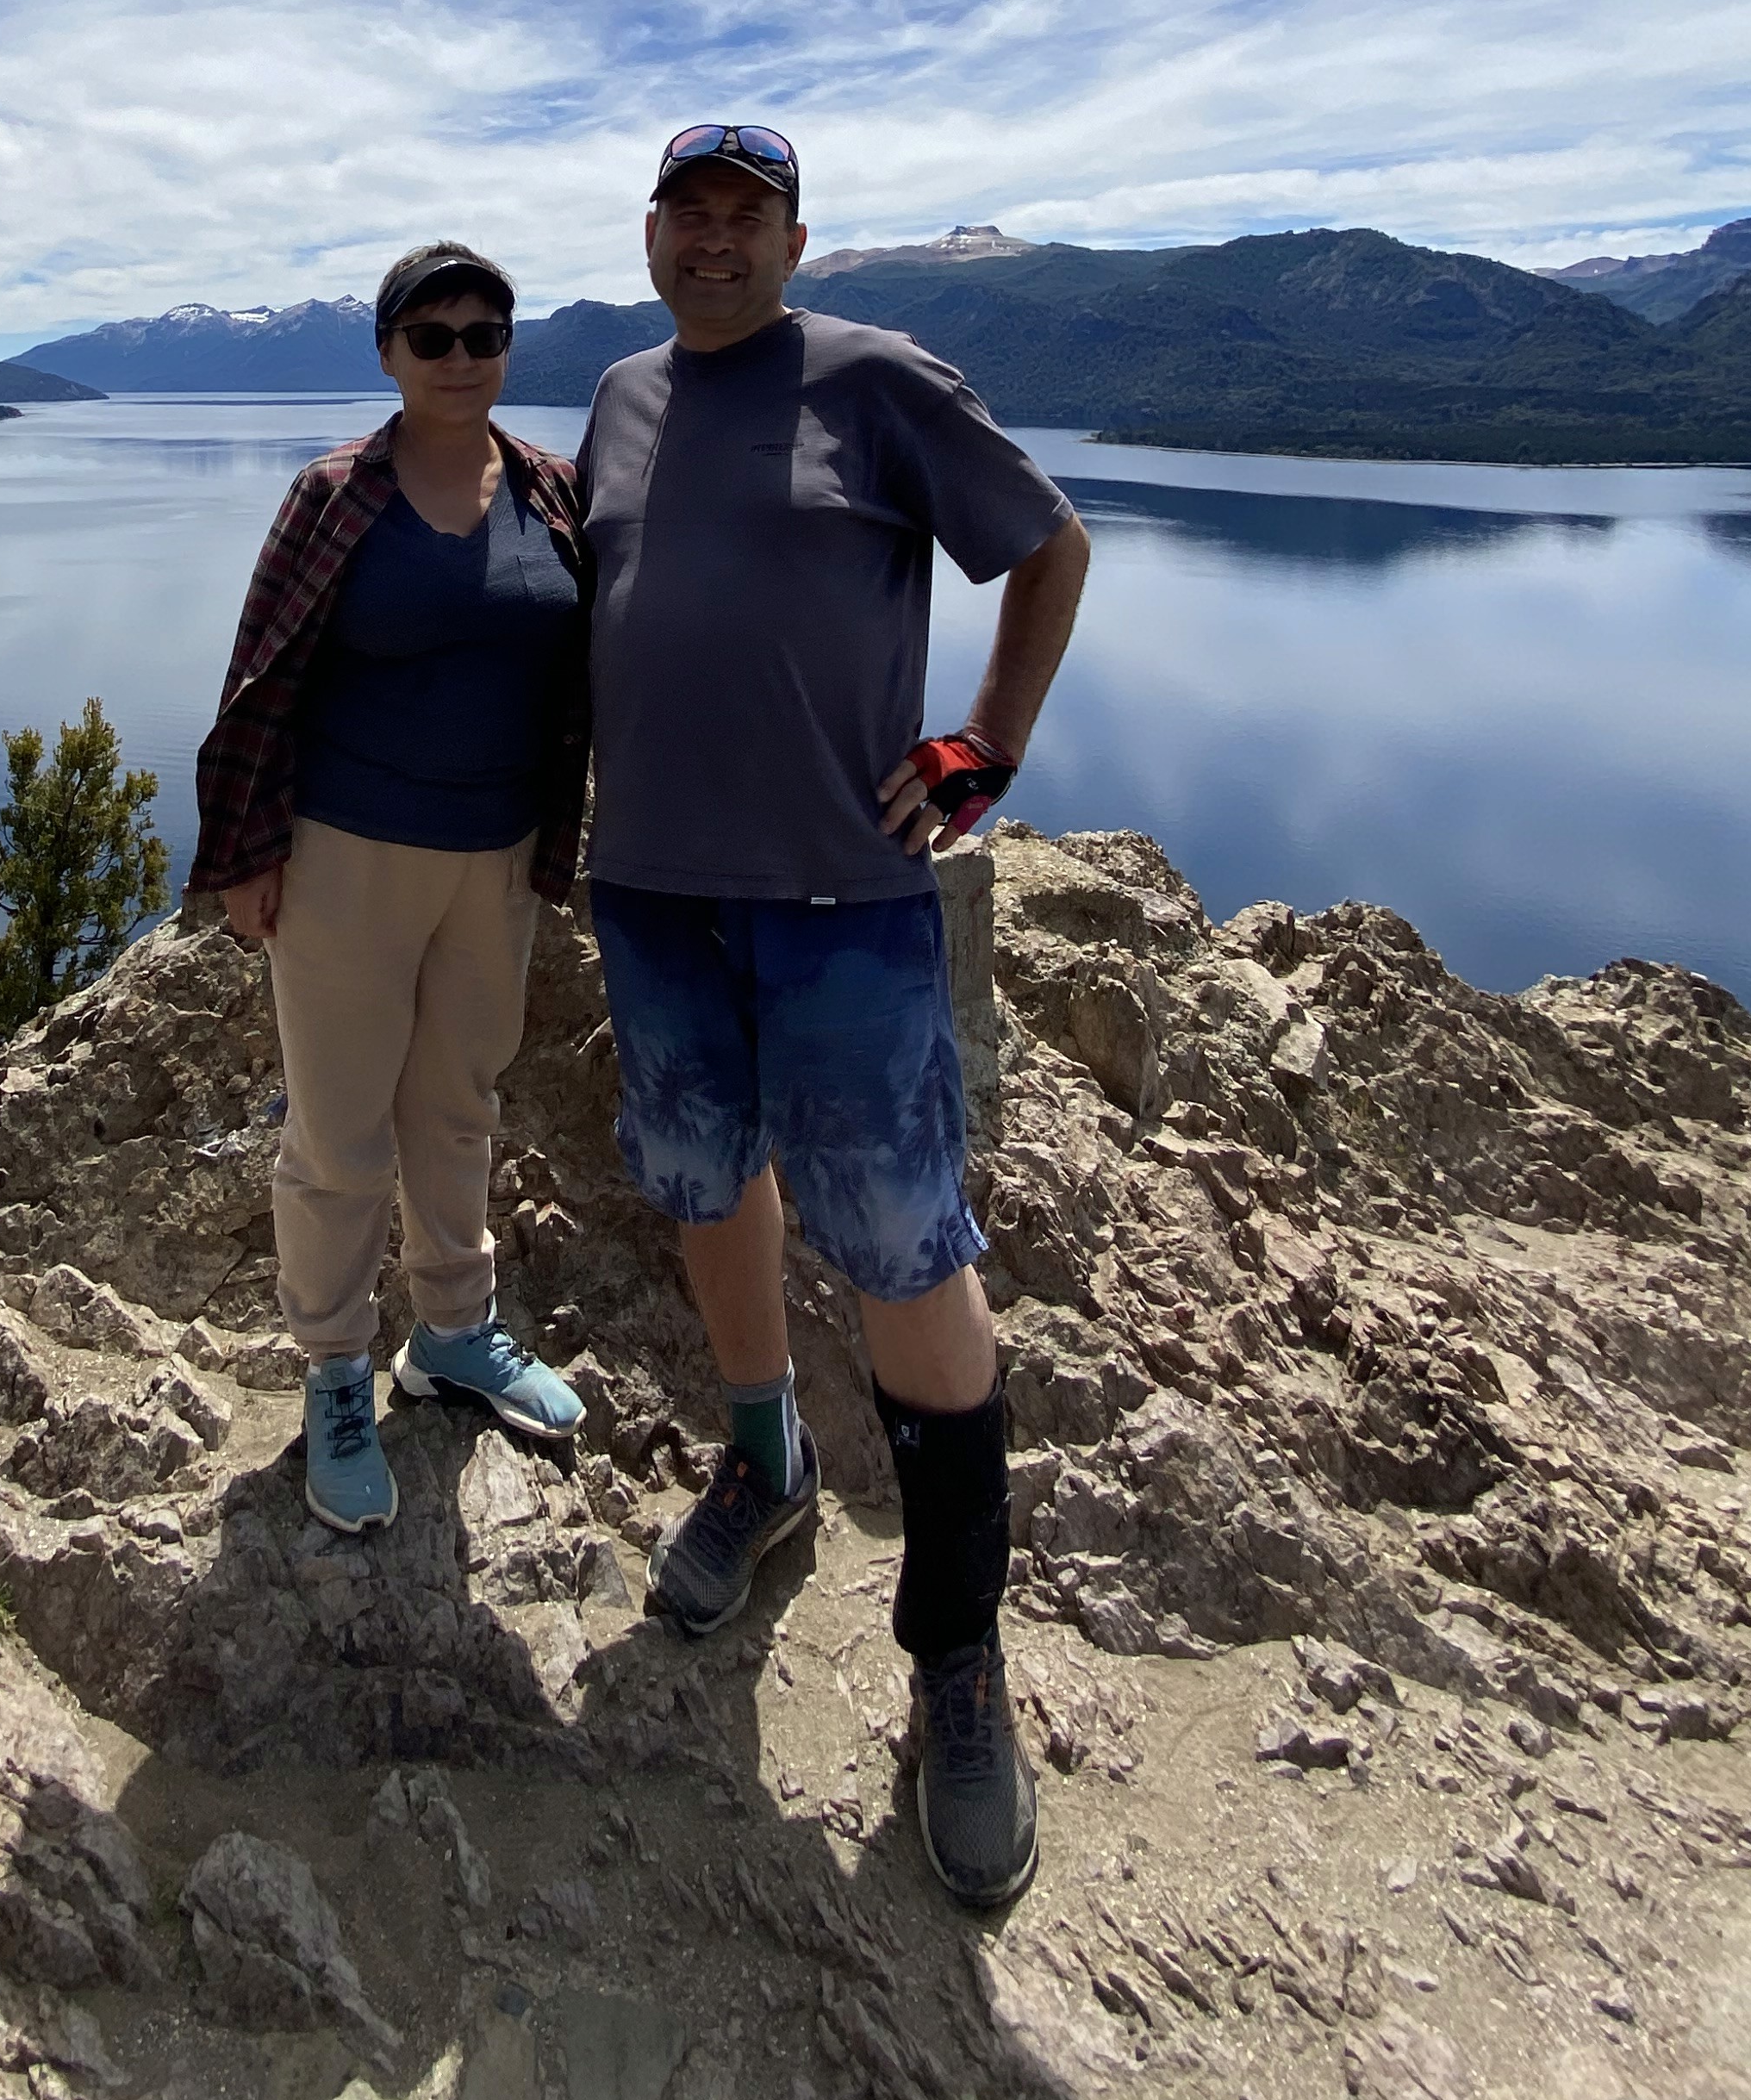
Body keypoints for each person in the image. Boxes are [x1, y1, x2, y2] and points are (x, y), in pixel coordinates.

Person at [577, 124, 1090, 1911]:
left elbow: (1049, 547)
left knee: (900, 1241)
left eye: (749, 219)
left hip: (841, 900)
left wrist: (988, 744)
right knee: (707, 1182)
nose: (715, 242)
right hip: (651, 889)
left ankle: (957, 1650)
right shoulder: (621, 396)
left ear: (795, 243)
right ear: (652, 234)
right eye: (690, 215)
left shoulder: (878, 381)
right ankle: (766, 1461)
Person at [189, 241, 591, 1534]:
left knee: (460, 1102)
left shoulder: (552, 490)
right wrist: (246, 854)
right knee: (339, 1129)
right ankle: (334, 1370)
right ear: (388, 354)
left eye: (487, 335)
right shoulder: (332, 497)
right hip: (347, 856)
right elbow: (260, 674)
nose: (463, 357)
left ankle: (454, 1333)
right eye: (434, 336)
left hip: (497, 857)